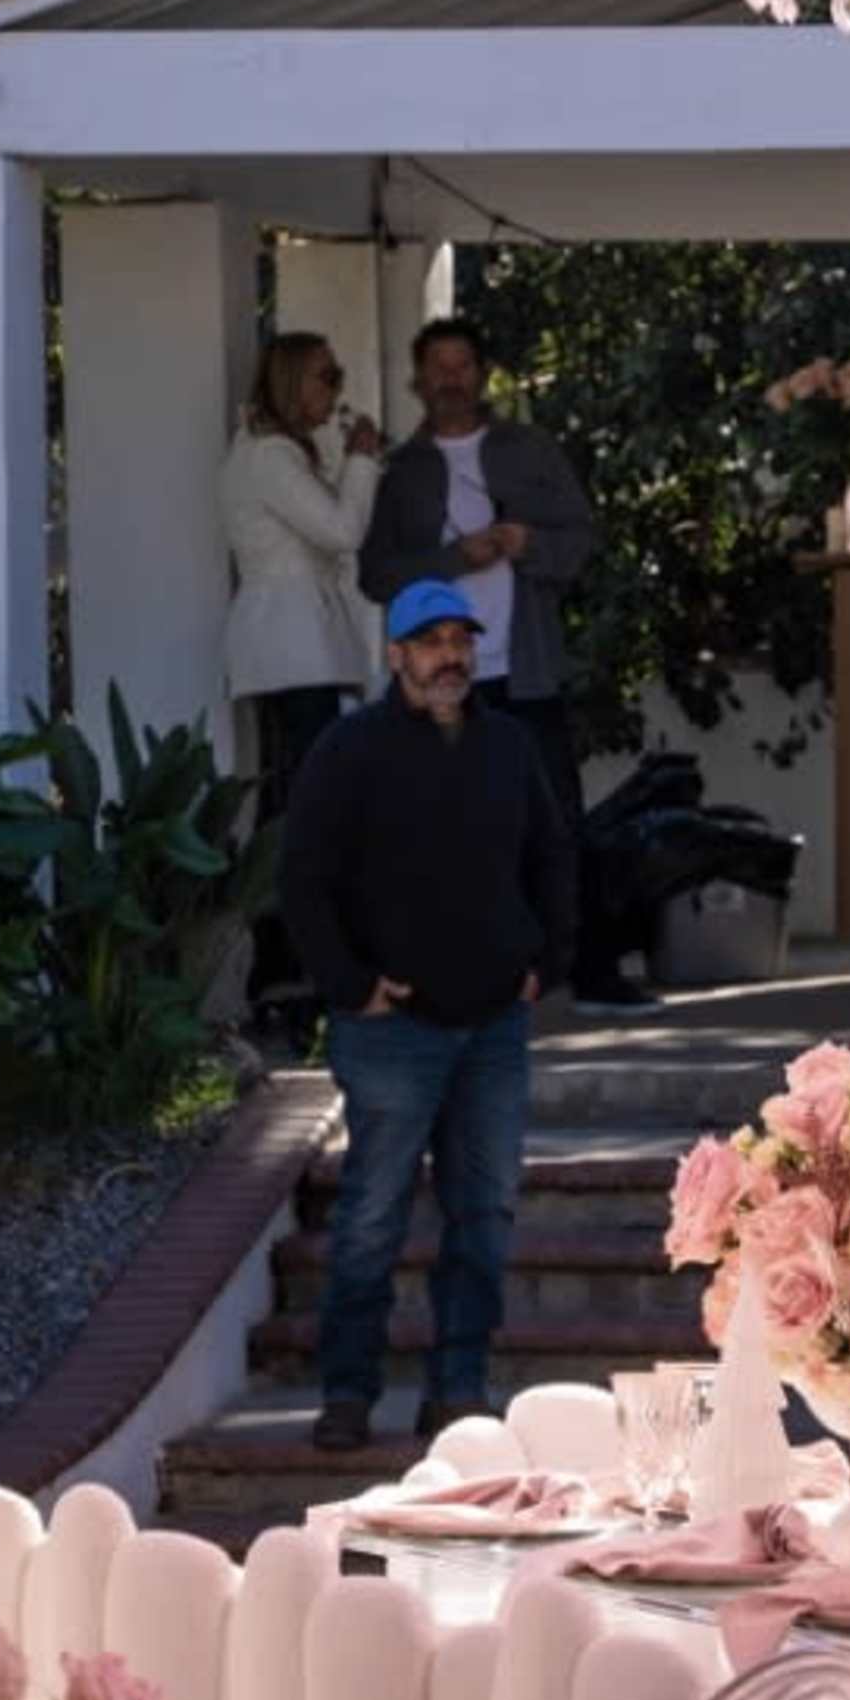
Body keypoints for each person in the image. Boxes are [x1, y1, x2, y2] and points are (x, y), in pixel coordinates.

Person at [278, 577, 578, 1458]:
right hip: (390, 1030)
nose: (450, 655)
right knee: (371, 1214)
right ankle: (347, 1392)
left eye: (461, 638)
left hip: (494, 1026)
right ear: (396, 654)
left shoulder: (509, 748)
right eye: (431, 640)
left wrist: (545, 963)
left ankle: (458, 1390)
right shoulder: (348, 751)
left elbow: (554, 855)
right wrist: (349, 986)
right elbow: (303, 880)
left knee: (483, 1213)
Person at [356, 317, 601, 839]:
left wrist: (528, 544)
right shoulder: (401, 471)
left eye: (462, 366)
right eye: (438, 367)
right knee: (440, 827)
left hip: (525, 669)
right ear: (417, 381)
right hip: (435, 681)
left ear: (484, 375)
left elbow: (581, 541)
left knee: (549, 822)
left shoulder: (531, 450)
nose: (451, 379)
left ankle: (555, 921)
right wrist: (453, 559)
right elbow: (376, 575)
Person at [220, 329, 383, 1032]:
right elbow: (342, 532)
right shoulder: (271, 457)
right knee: (300, 810)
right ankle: (286, 967)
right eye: (325, 376)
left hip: (296, 644)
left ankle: (288, 965)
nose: (335, 391)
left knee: (299, 804)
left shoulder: (273, 454)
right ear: (290, 382)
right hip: (293, 648)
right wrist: (363, 464)